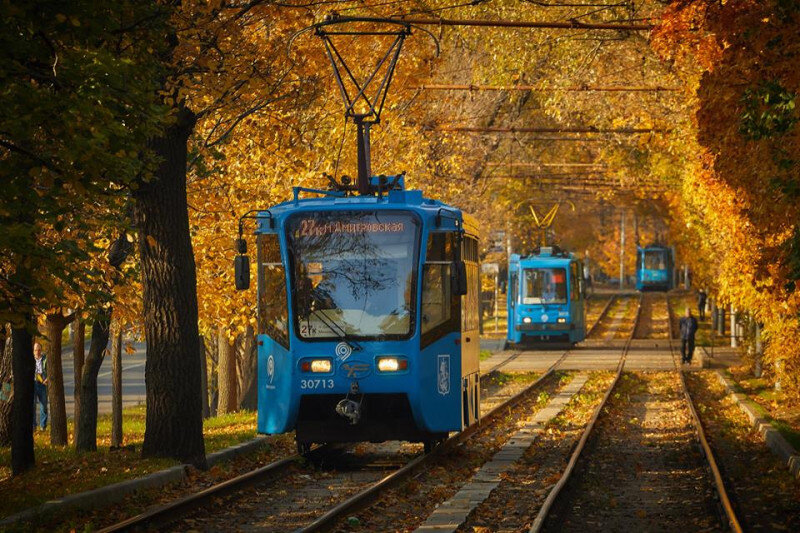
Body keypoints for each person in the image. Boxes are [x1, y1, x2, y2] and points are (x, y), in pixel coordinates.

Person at [33, 341, 48, 430]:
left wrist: (47, 378)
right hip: (33, 383)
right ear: (33, 351)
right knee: (32, 406)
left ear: (41, 350)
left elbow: (50, 369)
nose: (37, 352)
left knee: (44, 406)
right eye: (35, 350)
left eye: (39, 350)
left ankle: (43, 426)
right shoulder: (31, 359)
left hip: (43, 384)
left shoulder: (45, 358)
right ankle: (33, 426)